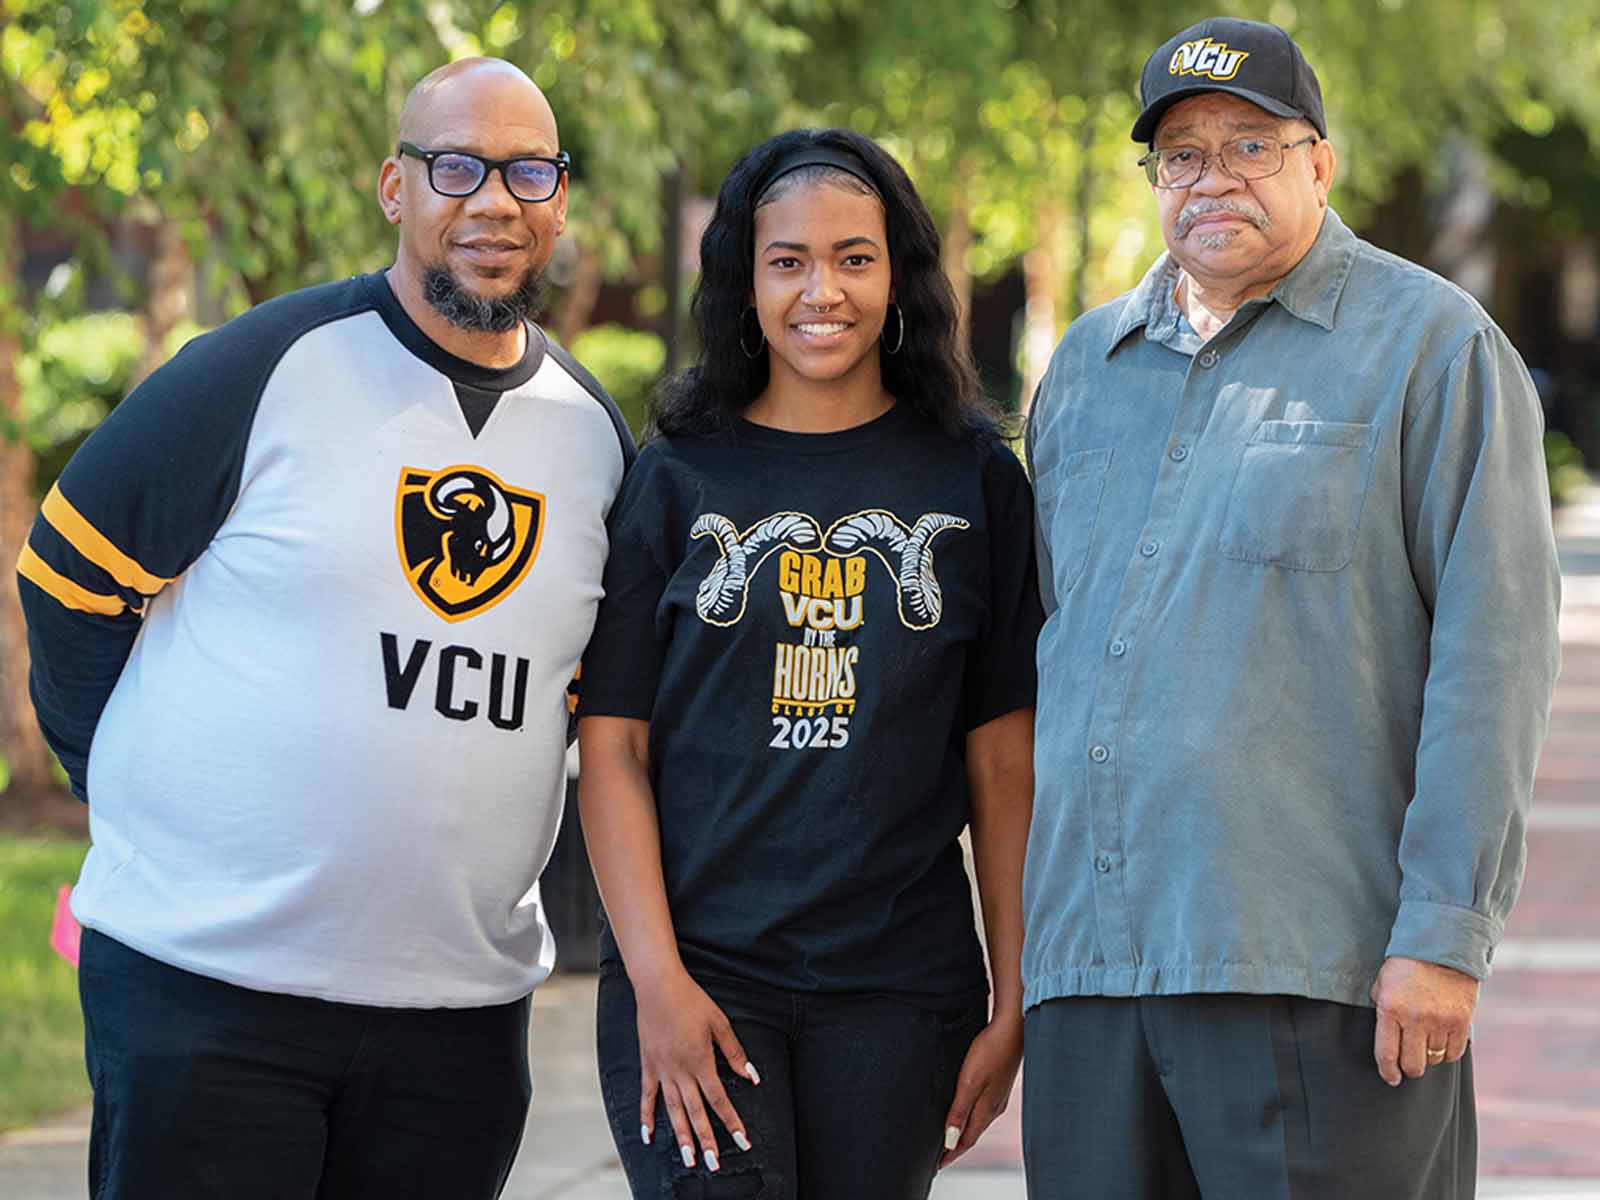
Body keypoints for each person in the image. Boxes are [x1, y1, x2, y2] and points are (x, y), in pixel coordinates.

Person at [16, 58, 633, 1199]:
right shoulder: (264, 366)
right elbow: (66, 584)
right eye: (456, 167)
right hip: (208, 988)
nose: (493, 201)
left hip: (457, 1017)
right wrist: (138, 788)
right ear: (394, 187)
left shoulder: (593, 439)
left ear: (559, 199)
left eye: (527, 171)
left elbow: (598, 702)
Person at [1020, 16, 1562, 1198]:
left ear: (1319, 161)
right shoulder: (1083, 369)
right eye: (1181, 155)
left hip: (1319, 970)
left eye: (1250, 146)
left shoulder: (1430, 349)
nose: (1212, 178)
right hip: (1093, 973)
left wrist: (1442, 936)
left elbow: (1494, 660)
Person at [575, 128, 1041, 1199]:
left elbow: (1002, 766)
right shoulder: (676, 477)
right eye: (787, 261)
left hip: (898, 992)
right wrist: (655, 981)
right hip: (700, 971)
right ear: (745, 282)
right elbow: (613, 750)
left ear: (899, 278)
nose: (819, 290)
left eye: (854, 258)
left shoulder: (973, 481)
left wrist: (1012, 996)